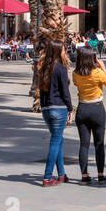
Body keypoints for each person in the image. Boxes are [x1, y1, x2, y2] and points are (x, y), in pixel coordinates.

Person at [71, 47, 106, 184]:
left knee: (84, 145)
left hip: (82, 109)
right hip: (97, 109)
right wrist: (103, 67)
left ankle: (84, 175)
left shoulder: (75, 74)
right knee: (99, 143)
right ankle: (101, 175)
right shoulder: (98, 73)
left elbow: (77, 84)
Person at [37, 38, 72, 186]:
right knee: (55, 141)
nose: (65, 52)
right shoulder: (60, 68)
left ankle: (62, 174)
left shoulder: (43, 68)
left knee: (58, 140)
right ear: (59, 51)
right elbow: (65, 92)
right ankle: (47, 177)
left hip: (46, 109)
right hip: (58, 108)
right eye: (64, 49)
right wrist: (70, 109)